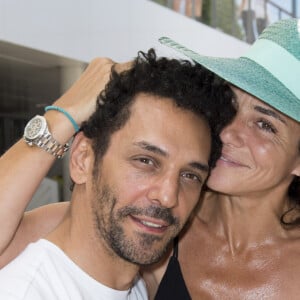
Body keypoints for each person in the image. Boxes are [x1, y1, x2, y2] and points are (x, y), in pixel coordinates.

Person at [0, 18, 299, 299]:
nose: (227, 132)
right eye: (229, 106)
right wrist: (64, 114)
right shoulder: (163, 219)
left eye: (265, 125)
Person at [0, 49, 235, 299]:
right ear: (83, 159)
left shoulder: (136, 286)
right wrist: (61, 116)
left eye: (190, 176)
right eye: (145, 161)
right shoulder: (26, 291)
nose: (168, 197)